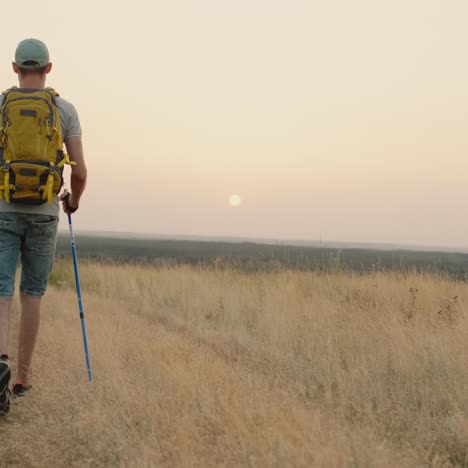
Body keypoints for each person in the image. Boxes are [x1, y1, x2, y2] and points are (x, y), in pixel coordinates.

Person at [0, 38, 87, 414]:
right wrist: (73, 201)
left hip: (2, 210)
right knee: (32, 293)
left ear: (15, 68)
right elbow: (80, 172)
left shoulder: (2, 105)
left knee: (0, 290)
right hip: (45, 212)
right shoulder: (63, 109)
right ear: (48, 68)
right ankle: (22, 377)